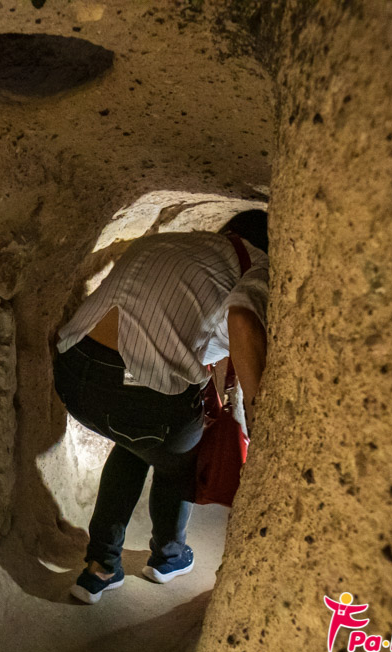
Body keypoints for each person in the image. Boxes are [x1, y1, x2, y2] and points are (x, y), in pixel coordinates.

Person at [52, 209, 270, 604]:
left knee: (136, 445)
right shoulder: (258, 264)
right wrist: (260, 418)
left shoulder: (172, 242)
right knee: (177, 458)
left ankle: (99, 568)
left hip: (74, 372)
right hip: (139, 398)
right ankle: (168, 557)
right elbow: (242, 317)